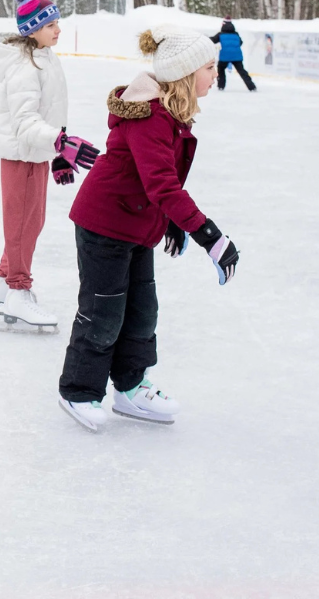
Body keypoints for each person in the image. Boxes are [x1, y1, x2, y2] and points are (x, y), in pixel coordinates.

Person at [58, 25, 239, 432]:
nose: (216, 72)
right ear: (186, 76)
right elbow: (162, 184)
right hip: (104, 224)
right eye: (210, 67)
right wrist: (209, 236)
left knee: (141, 311)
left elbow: (157, 181)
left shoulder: (171, 114)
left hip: (136, 224)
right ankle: (78, 390)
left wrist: (171, 220)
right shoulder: (151, 117)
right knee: (103, 312)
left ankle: (130, 386)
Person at [0, 0, 99, 330]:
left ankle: (1, 284)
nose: (58, 29)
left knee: (30, 223)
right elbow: (24, 124)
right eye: (51, 24)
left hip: (36, 154)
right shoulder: (25, 67)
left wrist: (58, 153)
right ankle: (18, 292)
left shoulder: (45, 58)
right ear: (32, 29)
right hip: (22, 156)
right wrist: (61, 142)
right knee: (22, 224)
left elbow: (50, 111)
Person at [210, 17, 256, 91]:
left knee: (221, 69)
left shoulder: (221, 34)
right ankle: (252, 87)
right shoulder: (236, 34)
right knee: (242, 71)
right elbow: (240, 42)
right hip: (237, 56)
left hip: (225, 56)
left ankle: (221, 86)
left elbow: (213, 40)